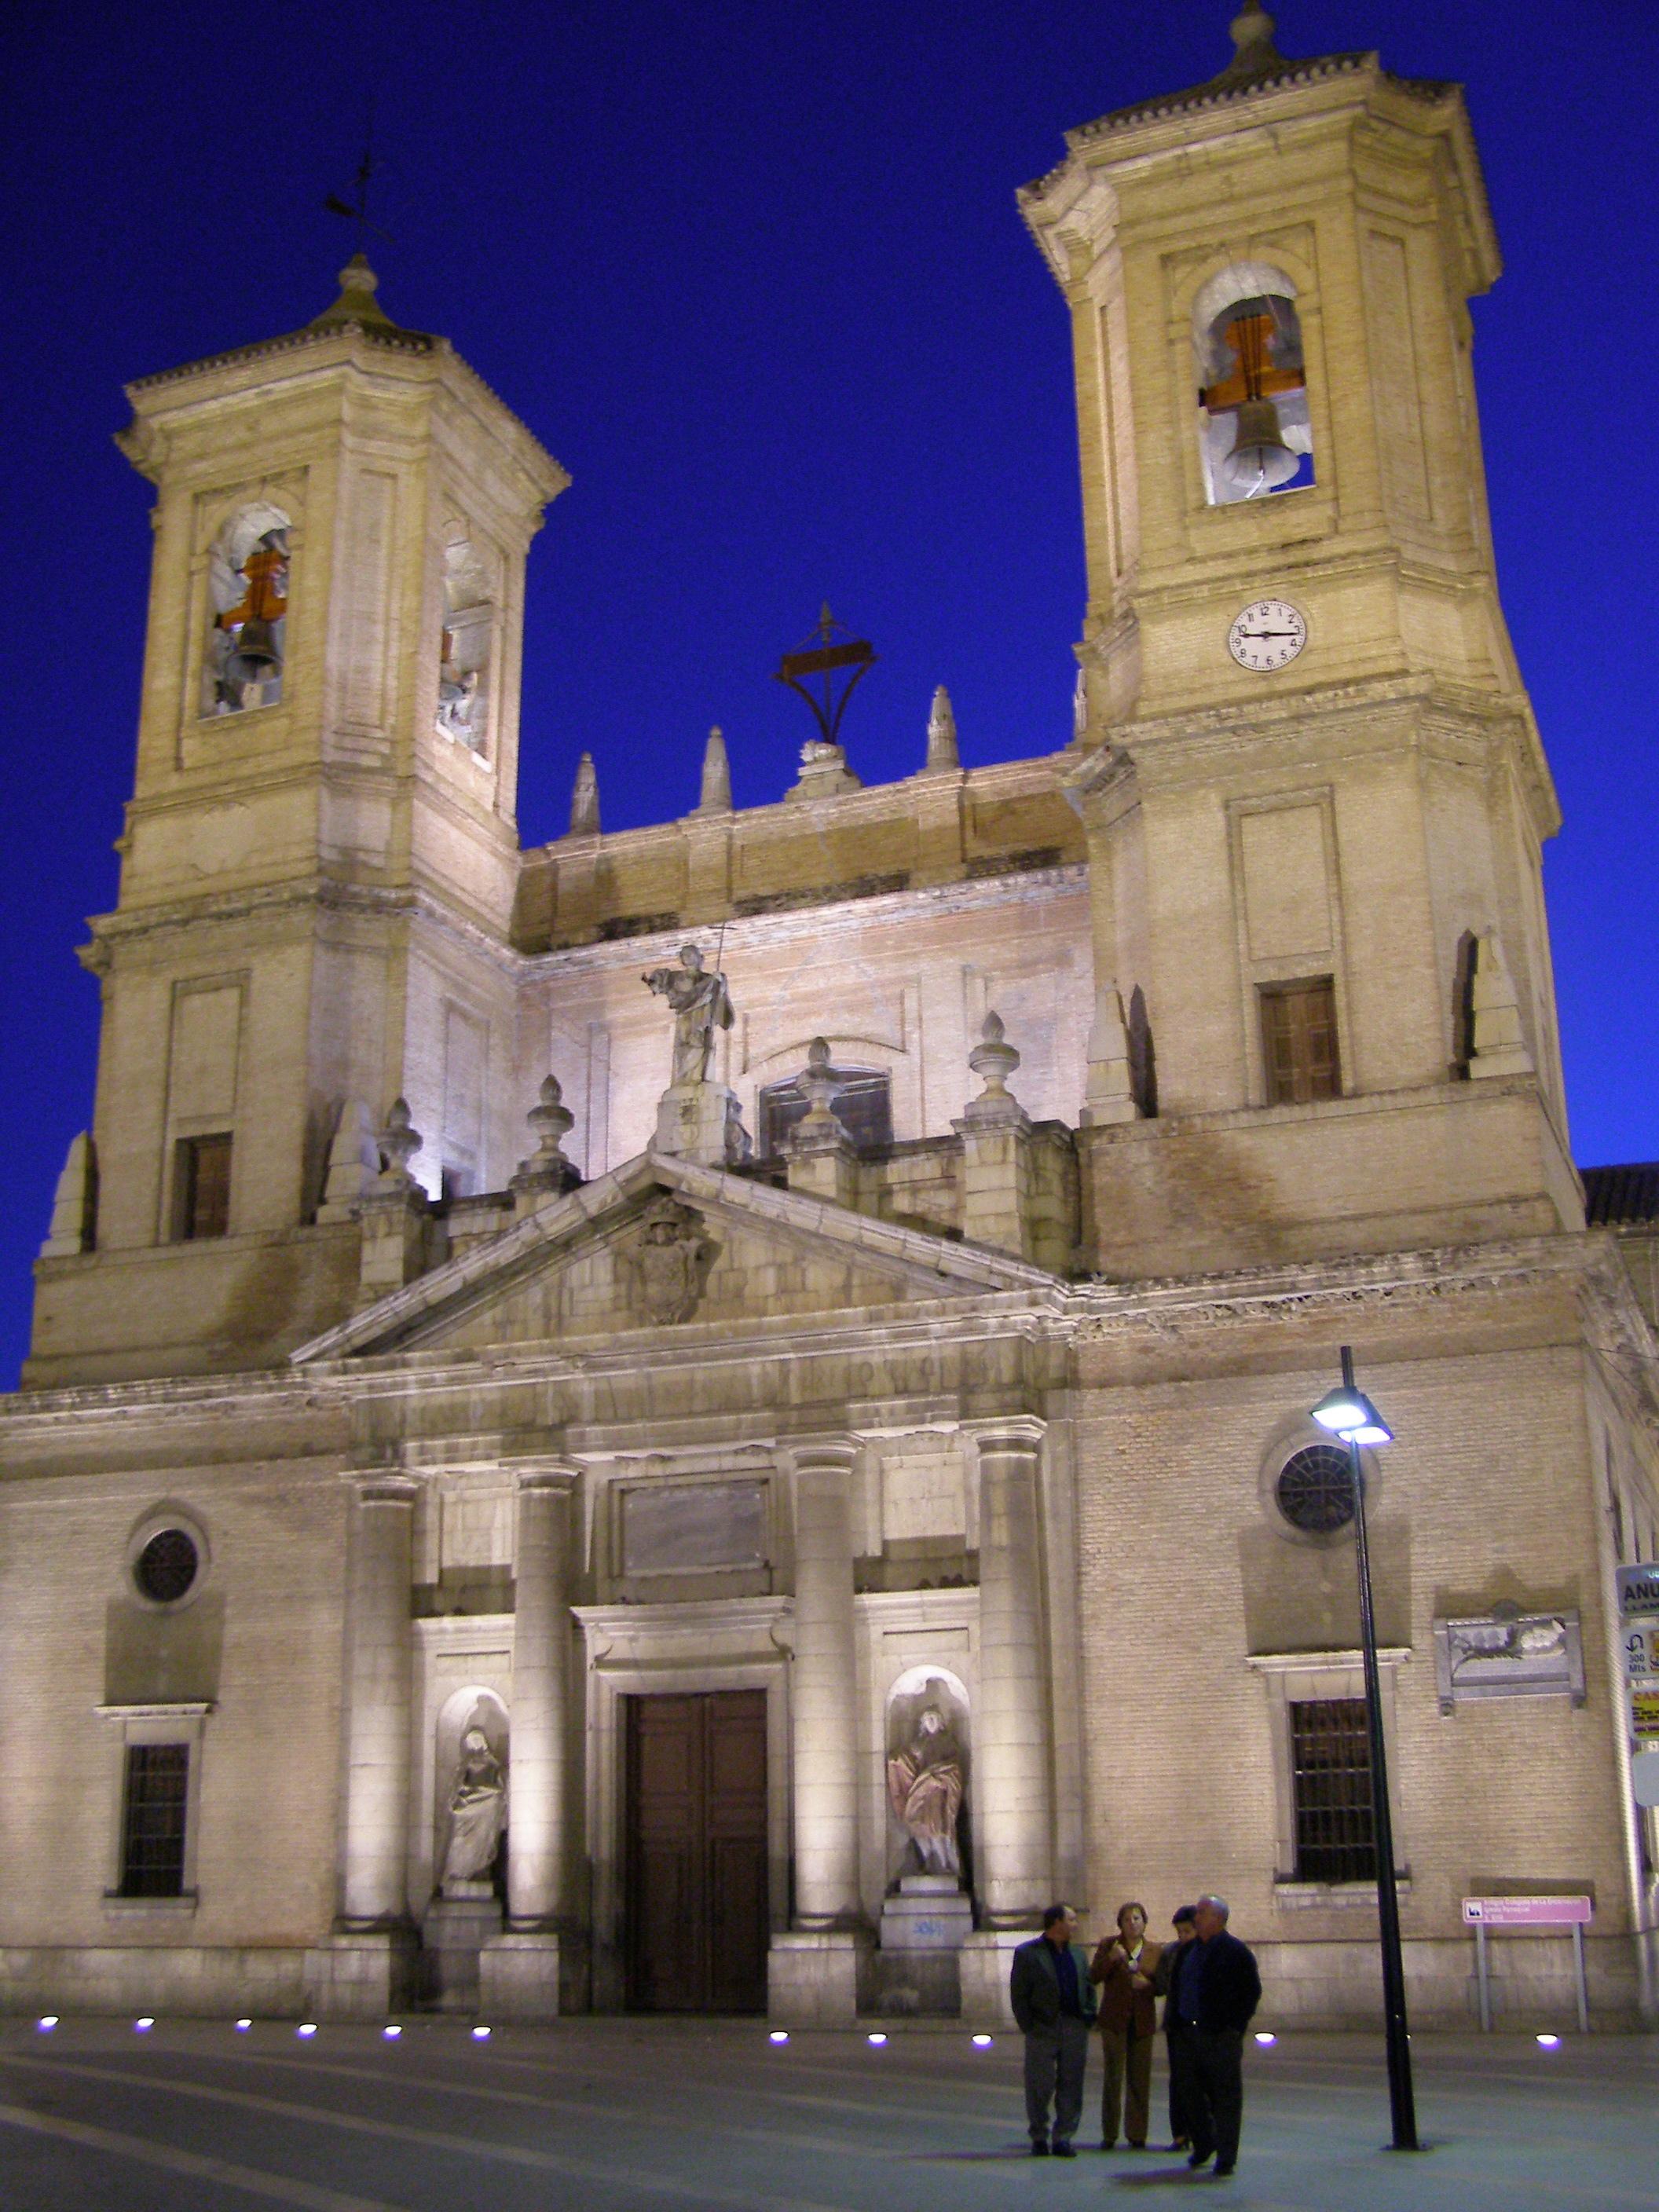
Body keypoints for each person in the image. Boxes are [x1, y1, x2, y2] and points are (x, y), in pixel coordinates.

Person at [1169, 1894, 1262, 2178]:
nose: (1196, 1918)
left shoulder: (1235, 1952)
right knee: (1189, 2093)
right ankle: (1204, 2142)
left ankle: (1226, 2155)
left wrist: (1234, 2028)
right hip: (1187, 2034)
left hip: (1220, 2036)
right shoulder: (1188, 1951)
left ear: (1218, 1919)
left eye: (1202, 1913)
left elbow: (1250, 1992)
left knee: (1225, 2098)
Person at [1009, 1903, 1097, 2158]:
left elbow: (1088, 1986)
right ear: (1057, 1923)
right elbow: (1019, 1993)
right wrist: (1028, 2024)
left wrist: (1088, 2015)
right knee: (1040, 2084)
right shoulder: (1028, 1954)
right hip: (1043, 2027)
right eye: (1071, 1919)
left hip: (1074, 2025)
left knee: (1071, 2082)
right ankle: (1039, 2135)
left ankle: (1064, 2137)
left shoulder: (1078, 1955)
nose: (1075, 1924)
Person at [1090, 1900, 1162, 2149]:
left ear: (1145, 1923)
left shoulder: (1154, 1951)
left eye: (1137, 1919)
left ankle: (1137, 2133)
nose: (1132, 1924)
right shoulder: (1109, 1946)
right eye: (1127, 1919)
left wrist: (1148, 1987)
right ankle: (1109, 2133)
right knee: (1113, 2077)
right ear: (1119, 1923)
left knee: (1140, 2078)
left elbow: (1162, 1986)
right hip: (1114, 2021)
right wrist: (1111, 1959)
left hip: (1142, 2022)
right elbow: (1094, 1976)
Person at [1152, 1905, 1199, 2151]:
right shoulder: (1171, 1952)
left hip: (1201, 2025)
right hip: (1176, 2024)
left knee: (1201, 2080)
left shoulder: (1206, 1952)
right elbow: (1160, 1985)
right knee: (1178, 2080)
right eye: (1179, 1932)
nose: (1182, 1937)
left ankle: (1201, 2131)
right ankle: (1180, 2133)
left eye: (1187, 1931)